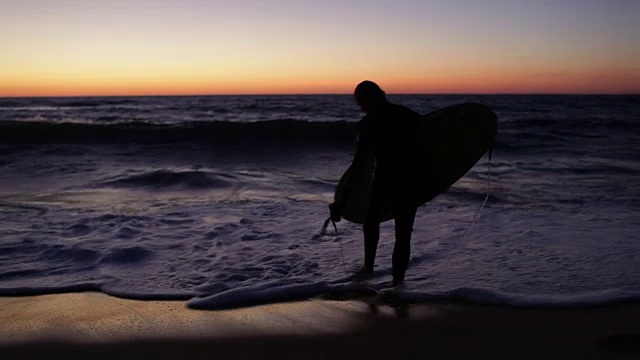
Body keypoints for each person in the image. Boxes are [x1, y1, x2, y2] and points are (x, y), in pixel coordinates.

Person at [330, 80, 421, 286]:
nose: (360, 106)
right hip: (408, 179)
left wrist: (342, 201)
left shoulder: (368, 124)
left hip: (383, 180)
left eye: (361, 102)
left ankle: (369, 270)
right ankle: (398, 282)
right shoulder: (408, 115)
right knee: (403, 234)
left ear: (369, 100)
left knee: (372, 226)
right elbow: (431, 141)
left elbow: (358, 165)